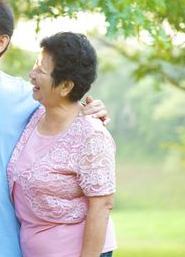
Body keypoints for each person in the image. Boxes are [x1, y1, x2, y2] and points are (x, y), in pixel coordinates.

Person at [0, 0, 109, 256]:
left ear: (1, 42)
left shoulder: (27, 98)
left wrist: (94, 113)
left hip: (12, 245)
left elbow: (68, 120)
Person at [7, 32, 116, 257]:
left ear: (65, 86)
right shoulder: (35, 116)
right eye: (35, 65)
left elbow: (102, 205)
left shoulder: (91, 135)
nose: (31, 74)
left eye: (40, 70)